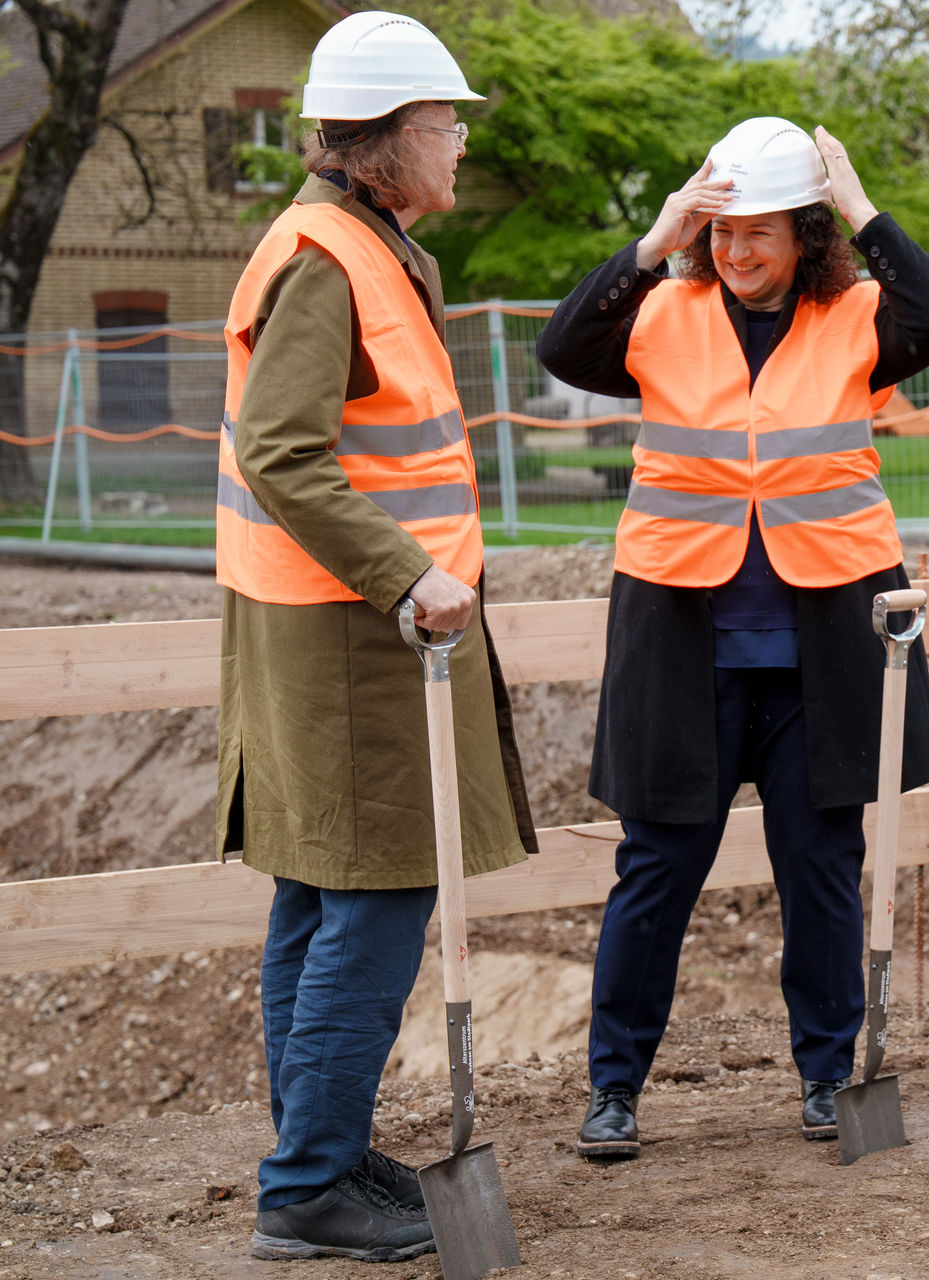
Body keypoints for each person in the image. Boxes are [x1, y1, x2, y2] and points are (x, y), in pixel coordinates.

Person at [535, 117, 929, 1157]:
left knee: (820, 868)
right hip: (686, 642)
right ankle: (615, 1090)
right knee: (656, 872)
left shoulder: (855, 311)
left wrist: (867, 212)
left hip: (821, 646)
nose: (736, 253)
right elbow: (562, 347)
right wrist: (654, 237)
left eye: (759, 232)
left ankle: (827, 1074)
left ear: (805, 234)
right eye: (723, 233)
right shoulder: (662, 311)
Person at [216, 12, 536, 1262]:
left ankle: (322, 1153)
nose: (458, 142)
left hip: (343, 623)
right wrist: (408, 575)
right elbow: (283, 448)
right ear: (389, 139)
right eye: (446, 123)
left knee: (324, 888)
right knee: (374, 891)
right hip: (351, 630)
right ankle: (305, 1185)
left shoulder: (368, 242)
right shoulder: (324, 259)